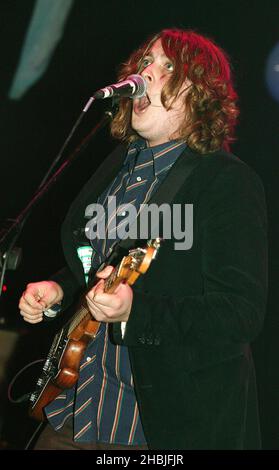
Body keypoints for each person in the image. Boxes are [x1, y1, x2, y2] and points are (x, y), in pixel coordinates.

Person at [18, 28, 268, 450]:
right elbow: (96, 265)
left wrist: (137, 313)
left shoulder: (225, 182)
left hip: (154, 425)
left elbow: (240, 312)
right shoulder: (117, 168)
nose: (146, 73)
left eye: (168, 66)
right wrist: (59, 288)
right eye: (144, 63)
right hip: (75, 408)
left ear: (202, 93)